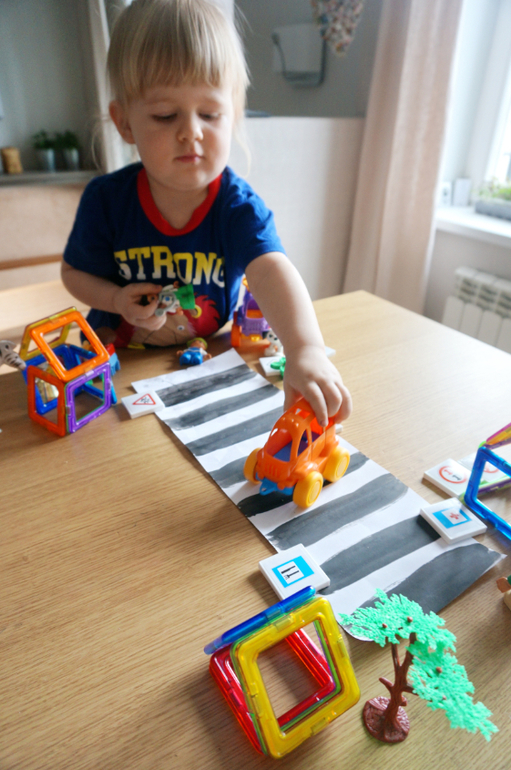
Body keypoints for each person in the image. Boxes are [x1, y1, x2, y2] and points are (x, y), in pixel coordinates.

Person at [61, 0, 351, 427]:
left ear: (233, 114)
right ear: (124, 123)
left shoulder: (237, 206)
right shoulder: (105, 200)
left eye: (210, 114)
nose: (191, 132)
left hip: (203, 362)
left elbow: (272, 270)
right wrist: (116, 300)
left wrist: (305, 348)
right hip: (116, 369)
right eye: (165, 115)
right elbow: (74, 274)